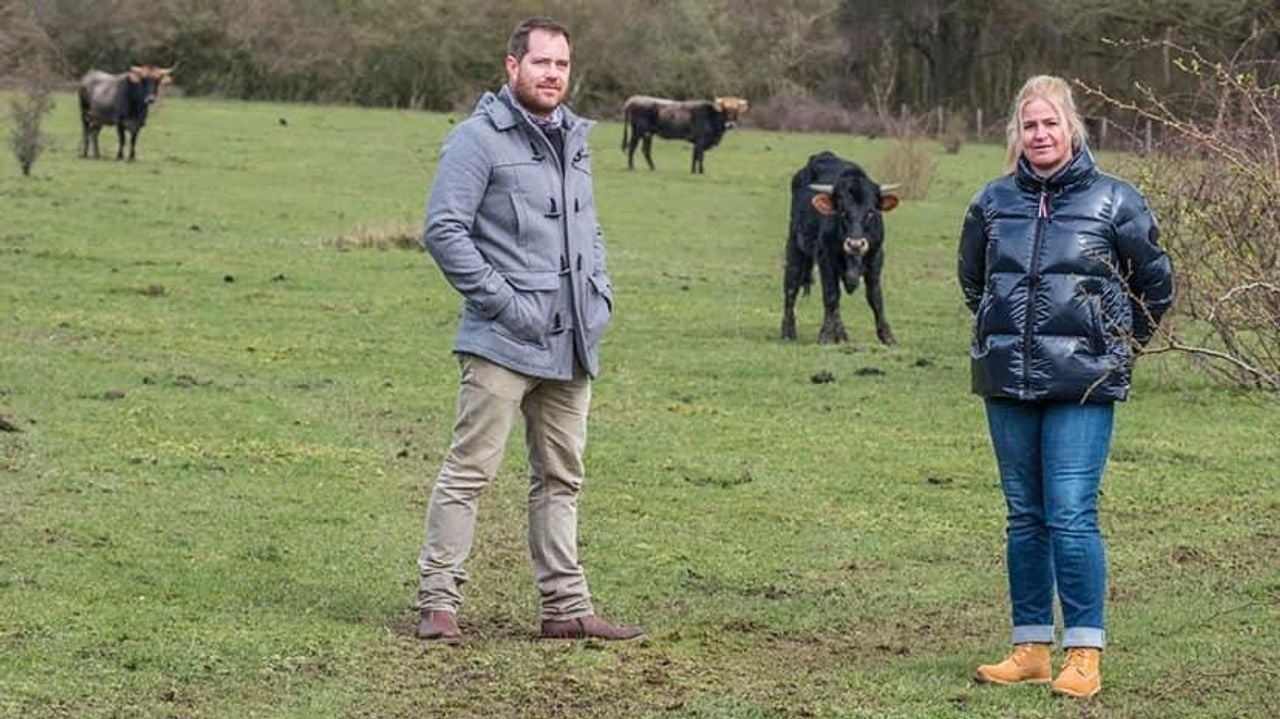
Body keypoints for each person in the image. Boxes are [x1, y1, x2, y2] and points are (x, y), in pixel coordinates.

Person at [413, 17, 642, 644]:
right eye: (541, 63)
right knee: (470, 473)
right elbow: (444, 231)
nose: (552, 75)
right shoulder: (476, 140)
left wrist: (600, 296)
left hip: (572, 340)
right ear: (511, 66)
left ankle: (566, 609)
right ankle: (438, 605)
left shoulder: (575, 139)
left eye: (562, 65)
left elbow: (587, 226)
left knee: (562, 478)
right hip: (502, 341)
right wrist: (505, 304)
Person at [958, 75, 1173, 698]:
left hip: (1084, 385)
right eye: (1030, 125)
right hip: (1007, 383)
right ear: (1016, 135)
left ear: (1072, 127)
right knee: (1025, 517)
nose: (1041, 134)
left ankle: (1083, 653)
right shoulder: (992, 202)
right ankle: (1029, 647)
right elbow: (974, 282)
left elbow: (1155, 285)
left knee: (1072, 515)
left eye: (1050, 123)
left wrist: (1116, 346)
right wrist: (1003, 337)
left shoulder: (1116, 201)